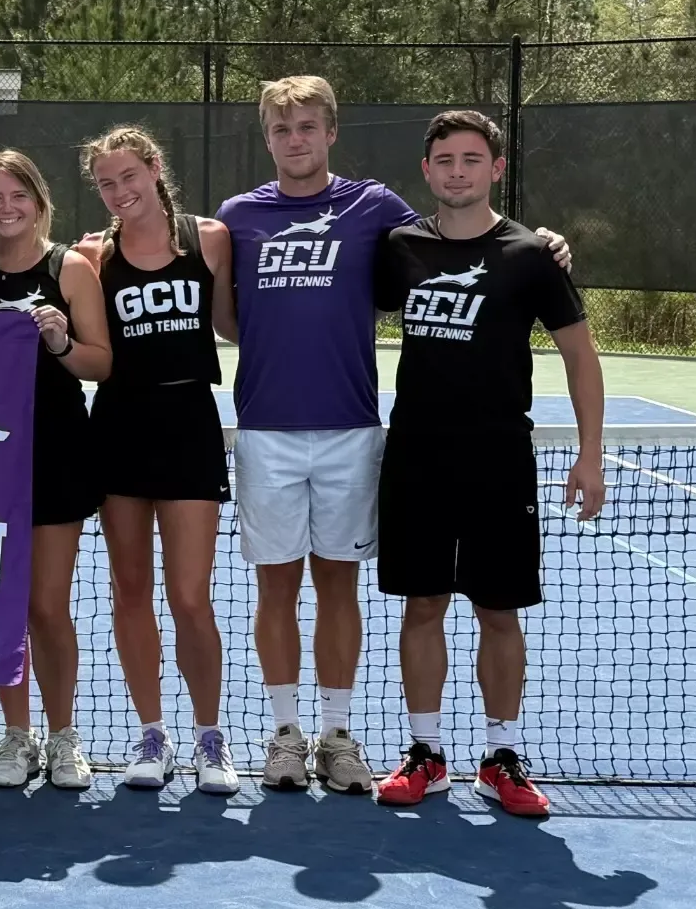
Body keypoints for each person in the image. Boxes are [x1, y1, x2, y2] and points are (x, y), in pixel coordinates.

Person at [215, 75, 568, 795]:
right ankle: (285, 735)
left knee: (337, 587)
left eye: (308, 126)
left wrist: (544, 241)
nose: (295, 139)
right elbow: (225, 317)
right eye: (282, 129)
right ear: (267, 138)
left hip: (352, 430)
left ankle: (337, 736)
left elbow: (459, 233)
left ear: (330, 132)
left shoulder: (375, 207)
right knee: (275, 589)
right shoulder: (237, 217)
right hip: (265, 431)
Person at [373, 110, 605, 819]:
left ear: (496, 169)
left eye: (472, 159)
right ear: (427, 170)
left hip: (499, 460)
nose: (458, 172)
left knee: (497, 611)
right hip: (415, 457)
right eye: (445, 160)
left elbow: (580, 356)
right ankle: (425, 753)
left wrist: (591, 455)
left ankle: (501, 757)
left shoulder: (531, 255)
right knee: (422, 606)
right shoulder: (400, 246)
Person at [81, 126, 242, 794]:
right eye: (106, 183)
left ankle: (210, 738)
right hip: (119, 427)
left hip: (188, 426)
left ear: (154, 168)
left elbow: (232, 324)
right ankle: (152, 734)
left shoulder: (211, 239)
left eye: (129, 176)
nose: (120, 191)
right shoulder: (92, 256)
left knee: (190, 597)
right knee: (130, 590)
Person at [0, 151, 112, 792]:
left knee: (48, 607)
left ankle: (63, 737)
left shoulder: (71, 268)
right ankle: (17, 734)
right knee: (2, 605)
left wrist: (60, 343)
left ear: (39, 201)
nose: (7, 208)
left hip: (56, 450)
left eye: (18, 196)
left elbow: (100, 364)